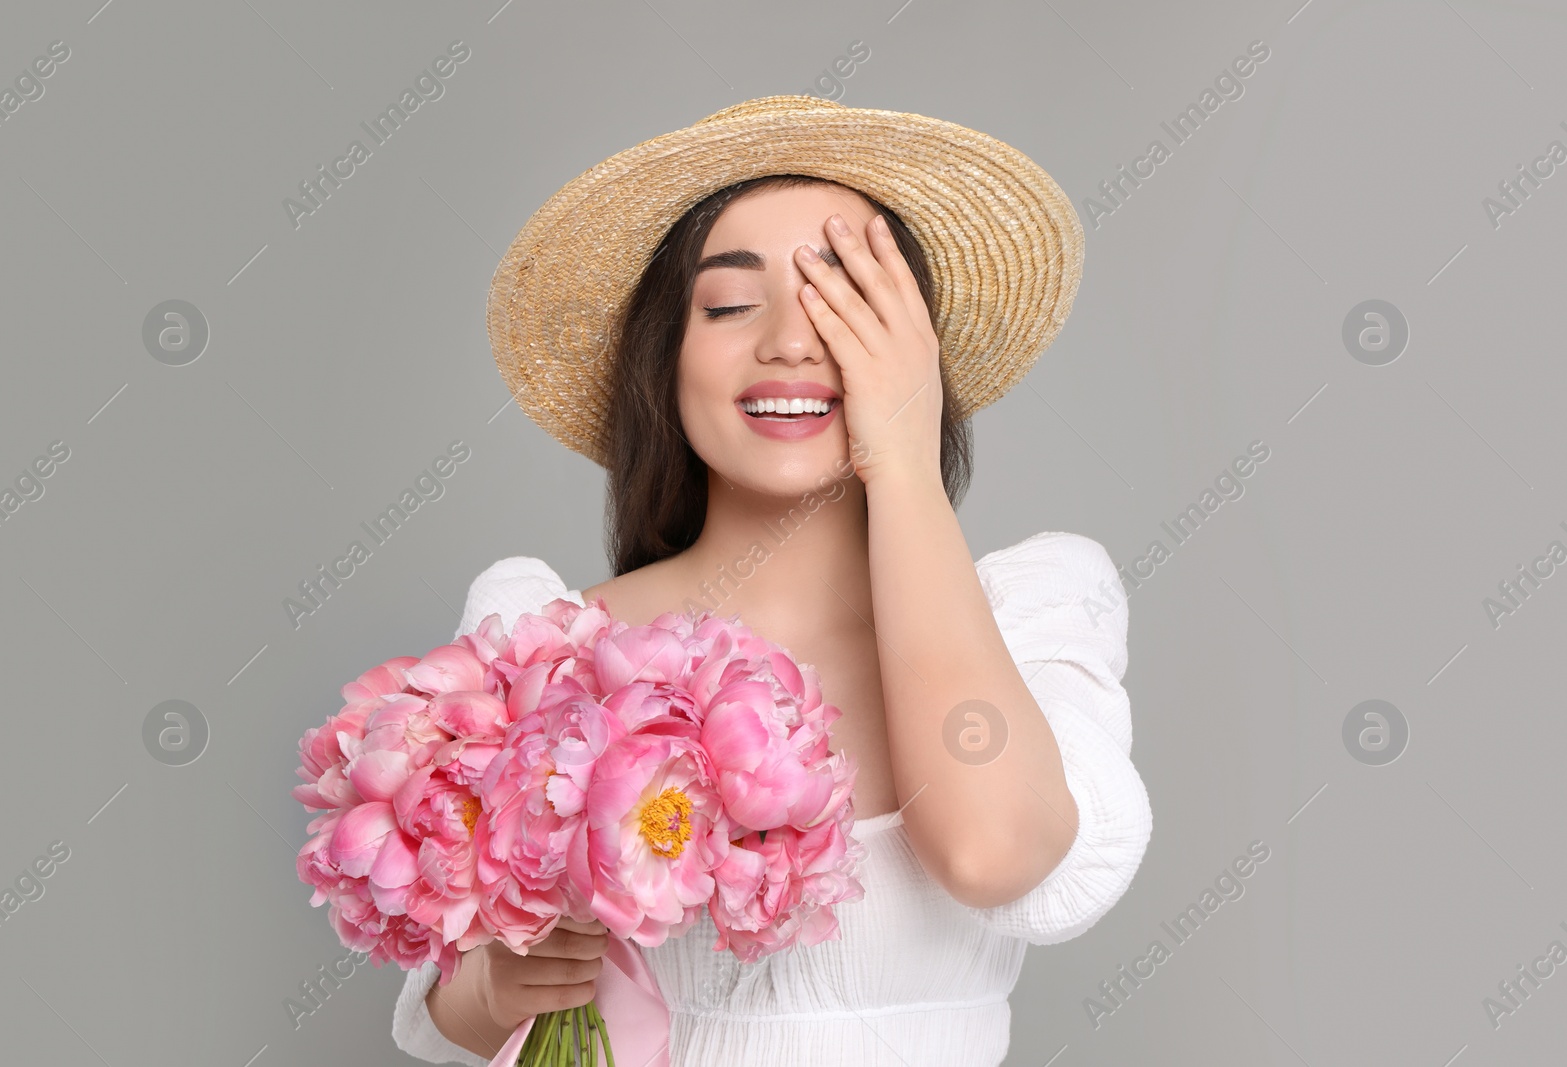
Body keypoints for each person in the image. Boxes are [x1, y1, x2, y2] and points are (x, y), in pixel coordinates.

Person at [392, 94, 1152, 1066]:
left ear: (919, 356)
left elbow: (991, 850)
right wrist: (500, 984)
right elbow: (445, 1007)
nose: (791, 341)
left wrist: (906, 469)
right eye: (731, 304)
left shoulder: (1030, 616)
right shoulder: (548, 645)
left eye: (847, 305)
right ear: (663, 359)